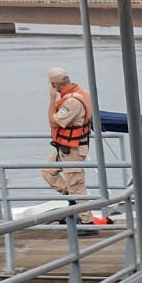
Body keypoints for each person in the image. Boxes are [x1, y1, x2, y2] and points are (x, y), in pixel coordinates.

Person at [41, 67, 93, 205]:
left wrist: (52, 99)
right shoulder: (82, 93)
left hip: (74, 149)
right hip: (64, 147)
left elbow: (53, 122)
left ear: (54, 85)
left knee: (76, 185)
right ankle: (72, 198)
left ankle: (87, 222)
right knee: (48, 171)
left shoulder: (72, 101)